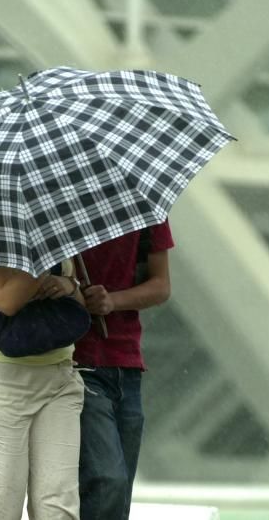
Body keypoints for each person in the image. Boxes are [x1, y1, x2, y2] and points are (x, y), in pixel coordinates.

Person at [0, 259, 86, 520]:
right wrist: (43, 263)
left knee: (59, 511)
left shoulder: (55, 227)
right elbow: (8, 301)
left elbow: (78, 304)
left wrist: (69, 286)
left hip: (59, 378)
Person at [74, 221, 174, 520]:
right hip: (78, 364)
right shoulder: (59, 203)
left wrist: (111, 301)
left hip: (128, 365)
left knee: (119, 492)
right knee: (107, 480)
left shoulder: (143, 206)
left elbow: (161, 285)